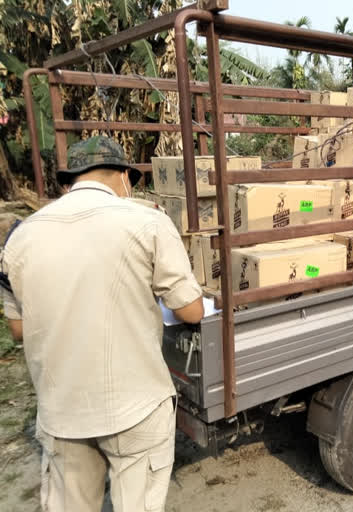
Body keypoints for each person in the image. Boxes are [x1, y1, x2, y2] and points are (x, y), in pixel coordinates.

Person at [1, 136, 204, 512]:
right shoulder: (147, 222)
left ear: (70, 181)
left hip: (62, 412)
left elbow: (18, 329)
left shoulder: (20, 238)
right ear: (125, 176)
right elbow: (191, 310)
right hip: (135, 408)